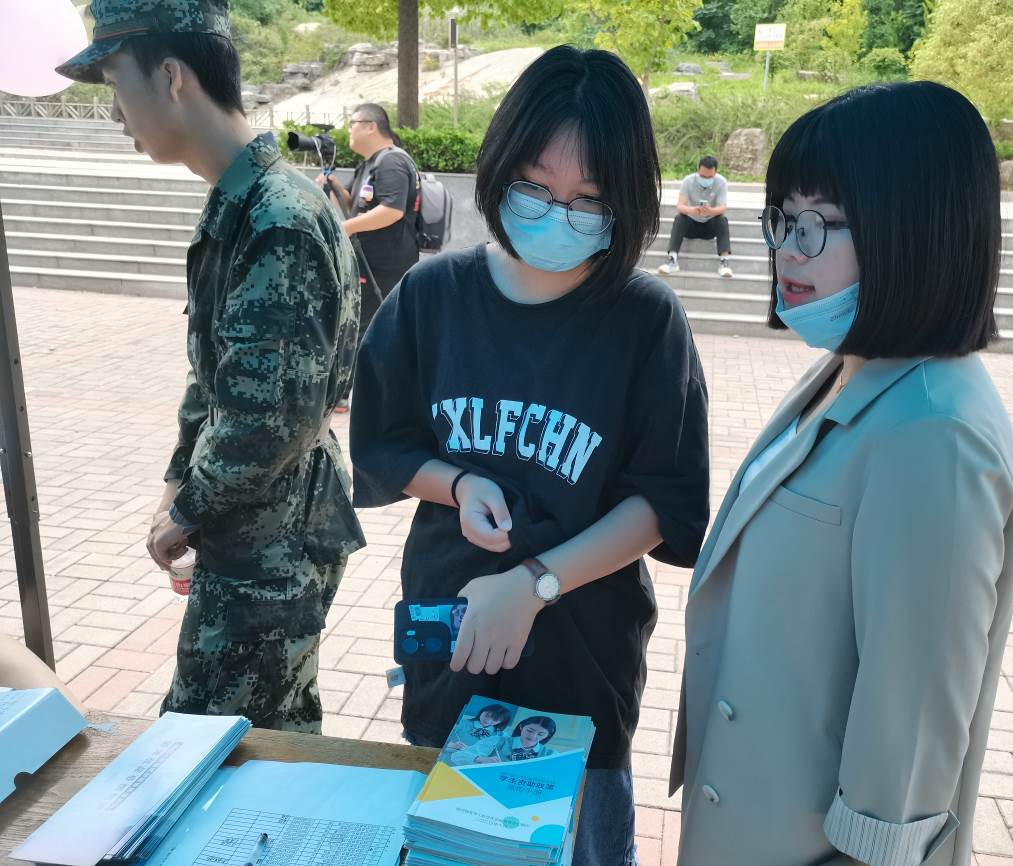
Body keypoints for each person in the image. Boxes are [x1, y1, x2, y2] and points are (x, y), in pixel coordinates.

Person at [351, 45, 710, 866]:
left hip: (580, 653)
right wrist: (457, 481)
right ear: (501, 166)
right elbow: (384, 443)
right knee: (447, 847)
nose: (559, 214)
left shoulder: (644, 320)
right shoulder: (432, 297)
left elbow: (662, 499)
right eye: (537, 188)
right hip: (452, 633)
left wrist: (534, 584)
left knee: (576, 846)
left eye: (589, 199)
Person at [670, 80, 1013, 866]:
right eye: (781, 219)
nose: (787, 250)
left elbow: (909, 731)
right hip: (753, 816)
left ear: (917, 230)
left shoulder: (934, 433)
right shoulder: (855, 367)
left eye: (820, 223)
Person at [56, 0, 365, 733]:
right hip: (257, 528)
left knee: (213, 744)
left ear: (171, 77)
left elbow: (269, 418)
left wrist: (188, 508)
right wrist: (178, 485)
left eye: (115, 83)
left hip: (273, 542)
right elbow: (214, 378)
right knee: (264, 740)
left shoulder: (275, 218)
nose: (115, 114)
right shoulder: (241, 202)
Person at [321, 103, 420, 337]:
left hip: (384, 269)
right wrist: (332, 185)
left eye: (352, 124)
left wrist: (345, 228)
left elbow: (392, 210)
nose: (349, 130)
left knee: (369, 332)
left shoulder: (391, 162)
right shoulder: (369, 164)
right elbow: (351, 205)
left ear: (370, 127)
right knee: (363, 330)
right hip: (370, 264)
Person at [657, 156, 733, 278]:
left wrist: (710, 211)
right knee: (679, 218)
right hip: (691, 225)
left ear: (715, 172)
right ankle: (672, 260)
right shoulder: (688, 181)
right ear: (698, 170)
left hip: (709, 227)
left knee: (722, 219)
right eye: (703, 176)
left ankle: (724, 262)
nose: (706, 179)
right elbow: (680, 206)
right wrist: (693, 210)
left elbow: (722, 208)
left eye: (709, 177)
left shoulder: (721, 182)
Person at [449, 715, 558, 766]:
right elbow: (457, 756)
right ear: (521, 727)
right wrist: (480, 759)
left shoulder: (551, 755)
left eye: (540, 734)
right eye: (529, 730)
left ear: (547, 736)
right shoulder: (497, 740)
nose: (533, 736)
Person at [445, 702, 513, 750]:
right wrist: (452, 745)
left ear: (500, 722)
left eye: (495, 720)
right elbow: (445, 740)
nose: (488, 720)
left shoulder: (497, 735)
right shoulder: (464, 723)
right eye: (486, 716)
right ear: (482, 712)